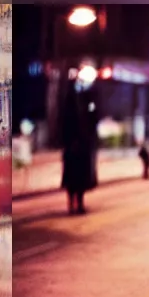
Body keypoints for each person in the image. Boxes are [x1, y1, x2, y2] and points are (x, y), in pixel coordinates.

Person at [61, 85, 98, 215]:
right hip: (75, 146)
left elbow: (94, 116)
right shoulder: (71, 104)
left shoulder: (86, 101)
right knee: (75, 177)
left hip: (80, 145)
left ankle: (77, 203)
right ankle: (74, 204)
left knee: (79, 177)